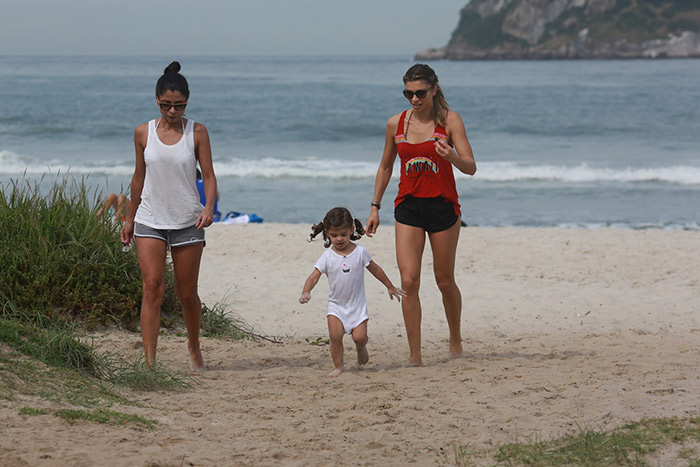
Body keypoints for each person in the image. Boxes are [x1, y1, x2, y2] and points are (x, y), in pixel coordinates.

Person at [365, 64, 476, 366]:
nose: (413, 99)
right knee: (409, 280)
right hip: (408, 207)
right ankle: (415, 355)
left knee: (444, 280)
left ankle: (455, 339)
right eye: (408, 93)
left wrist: (452, 156)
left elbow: (470, 166)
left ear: (434, 90)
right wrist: (375, 206)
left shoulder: (449, 121)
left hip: (443, 207)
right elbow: (386, 167)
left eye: (420, 93)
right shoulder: (395, 124)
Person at [120, 61, 217, 371]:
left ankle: (193, 346)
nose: (173, 111)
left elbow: (210, 176)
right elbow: (138, 177)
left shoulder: (198, 132)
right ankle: (149, 362)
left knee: (187, 294)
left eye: (179, 105)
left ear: (187, 102)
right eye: (166, 105)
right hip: (150, 219)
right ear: (156, 100)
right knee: (152, 288)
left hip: (188, 220)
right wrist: (129, 217)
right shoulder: (142, 132)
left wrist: (209, 207)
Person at [299, 207, 405, 378]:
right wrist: (306, 291)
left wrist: (390, 286)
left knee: (360, 337)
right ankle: (339, 366)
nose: (339, 239)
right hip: (336, 306)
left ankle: (361, 347)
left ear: (351, 231)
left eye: (343, 234)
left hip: (357, 306)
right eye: (334, 235)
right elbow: (313, 277)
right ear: (327, 233)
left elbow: (375, 269)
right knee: (334, 336)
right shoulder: (327, 256)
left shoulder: (360, 252)